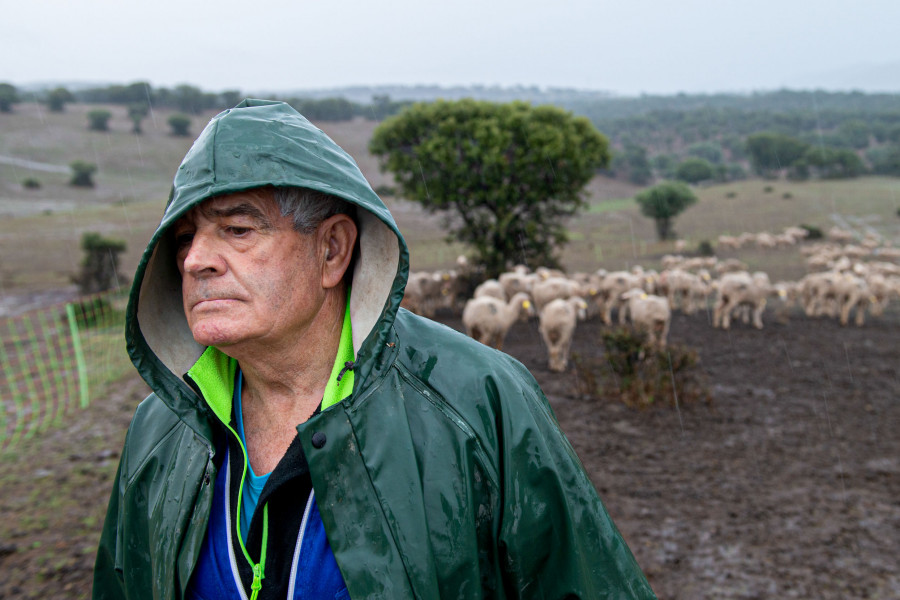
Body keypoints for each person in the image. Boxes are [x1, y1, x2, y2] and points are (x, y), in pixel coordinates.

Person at [93, 99, 656, 599]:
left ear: (333, 250)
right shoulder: (160, 432)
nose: (196, 261)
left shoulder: (477, 403)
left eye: (238, 230)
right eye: (185, 237)